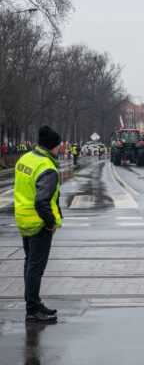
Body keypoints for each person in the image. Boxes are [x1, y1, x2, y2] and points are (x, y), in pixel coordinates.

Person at [14, 126, 63, 323]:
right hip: (39, 223)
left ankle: (33, 303)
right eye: (59, 146)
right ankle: (33, 310)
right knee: (36, 268)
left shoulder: (25, 159)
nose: (60, 149)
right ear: (52, 146)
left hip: (23, 219)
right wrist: (50, 223)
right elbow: (42, 201)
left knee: (29, 264)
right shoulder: (47, 168)